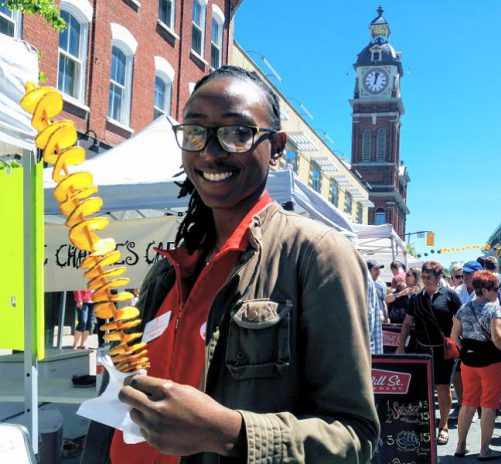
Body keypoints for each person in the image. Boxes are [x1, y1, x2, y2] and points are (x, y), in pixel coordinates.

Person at [83, 66, 379, 463]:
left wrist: (228, 433)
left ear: (276, 148)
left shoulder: (317, 255)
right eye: (195, 131)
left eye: (238, 133)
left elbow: (354, 437)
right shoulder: (168, 269)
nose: (209, 150)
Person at [396, 261, 462, 446]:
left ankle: (444, 425)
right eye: (424, 277)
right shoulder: (416, 297)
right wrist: (401, 344)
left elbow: (460, 320)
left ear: (440, 277)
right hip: (421, 348)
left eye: (430, 277)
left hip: (443, 350)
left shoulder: (451, 295)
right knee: (421, 388)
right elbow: (408, 322)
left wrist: (457, 342)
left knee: (442, 388)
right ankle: (422, 423)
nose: (426, 280)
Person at [451, 270, 501, 460]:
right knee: (488, 405)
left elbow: (453, 337)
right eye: (495, 288)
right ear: (485, 289)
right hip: (491, 362)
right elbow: (497, 337)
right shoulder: (494, 308)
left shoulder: (464, 308)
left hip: (469, 361)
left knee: (468, 403)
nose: (497, 292)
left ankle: (460, 445)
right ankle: (485, 450)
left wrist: (464, 349)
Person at [368, 259, 389, 323]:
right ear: (368, 271)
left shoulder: (381, 284)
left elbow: (383, 302)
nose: (378, 272)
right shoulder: (362, 284)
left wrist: (386, 318)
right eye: (375, 269)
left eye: (378, 269)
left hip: (379, 320)